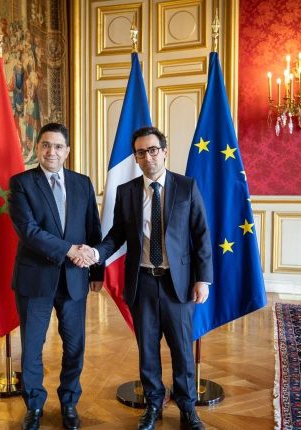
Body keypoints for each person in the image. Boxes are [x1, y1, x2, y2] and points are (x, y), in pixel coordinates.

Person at [87, 126, 213, 430]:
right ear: (136, 157)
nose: (148, 157)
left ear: (164, 152)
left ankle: (187, 409)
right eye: (141, 152)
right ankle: (154, 404)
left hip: (177, 284)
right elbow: (117, 234)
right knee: (147, 350)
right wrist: (96, 254)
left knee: (182, 350)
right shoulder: (127, 191)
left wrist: (203, 279)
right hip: (141, 282)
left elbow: (201, 234)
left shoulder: (186, 187)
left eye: (153, 150)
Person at [8, 123, 102, 430]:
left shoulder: (82, 183)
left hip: (74, 279)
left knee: (75, 347)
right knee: (32, 348)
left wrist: (96, 271)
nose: (52, 151)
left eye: (58, 146)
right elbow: (28, 231)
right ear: (37, 148)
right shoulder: (21, 183)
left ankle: (69, 403)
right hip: (35, 280)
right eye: (46, 145)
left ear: (67, 151)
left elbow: (92, 228)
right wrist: (69, 250)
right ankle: (34, 406)